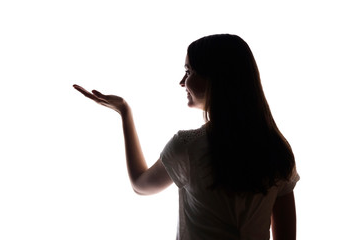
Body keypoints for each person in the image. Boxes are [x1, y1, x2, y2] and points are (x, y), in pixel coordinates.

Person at [73, 34, 299, 240]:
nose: (182, 82)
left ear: (215, 78)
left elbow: (141, 185)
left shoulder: (188, 148)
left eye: (189, 72)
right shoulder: (277, 151)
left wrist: (124, 112)